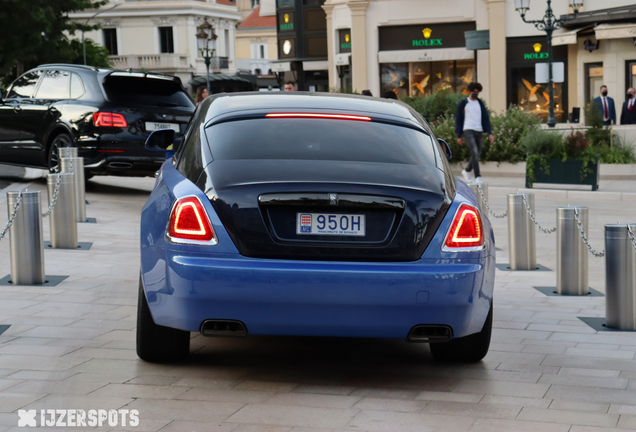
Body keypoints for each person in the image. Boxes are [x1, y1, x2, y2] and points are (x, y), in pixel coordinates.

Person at [455, 82, 493, 184]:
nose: (475, 93)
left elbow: (486, 119)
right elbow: (458, 119)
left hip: (479, 130)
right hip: (468, 129)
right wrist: (459, 135)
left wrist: (490, 132)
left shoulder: (480, 103)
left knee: (478, 153)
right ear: (469, 91)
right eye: (474, 91)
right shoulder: (463, 103)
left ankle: (467, 171)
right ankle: (477, 176)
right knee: (474, 152)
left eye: (477, 92)